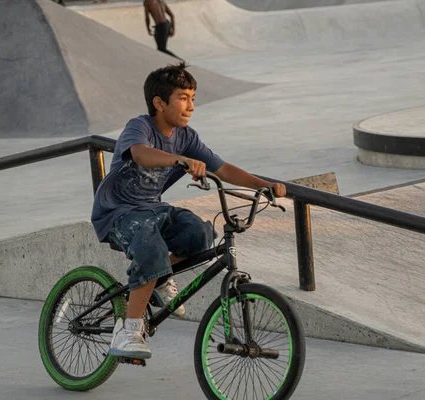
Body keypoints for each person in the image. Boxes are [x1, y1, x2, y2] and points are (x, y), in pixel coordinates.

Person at [90, 63, 286, 360]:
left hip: (153, 208)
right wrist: (178, 159)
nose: (191, 106)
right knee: (150, 244)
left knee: (198, 232)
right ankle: (128, 329)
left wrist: (265, 185)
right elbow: (140, 153)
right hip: (117, 212)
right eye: (183, 97)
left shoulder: (186, 136)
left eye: (193, 98)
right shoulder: (140, 126)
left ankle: (160, 277)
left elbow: (224, 169)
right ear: (159, 103)